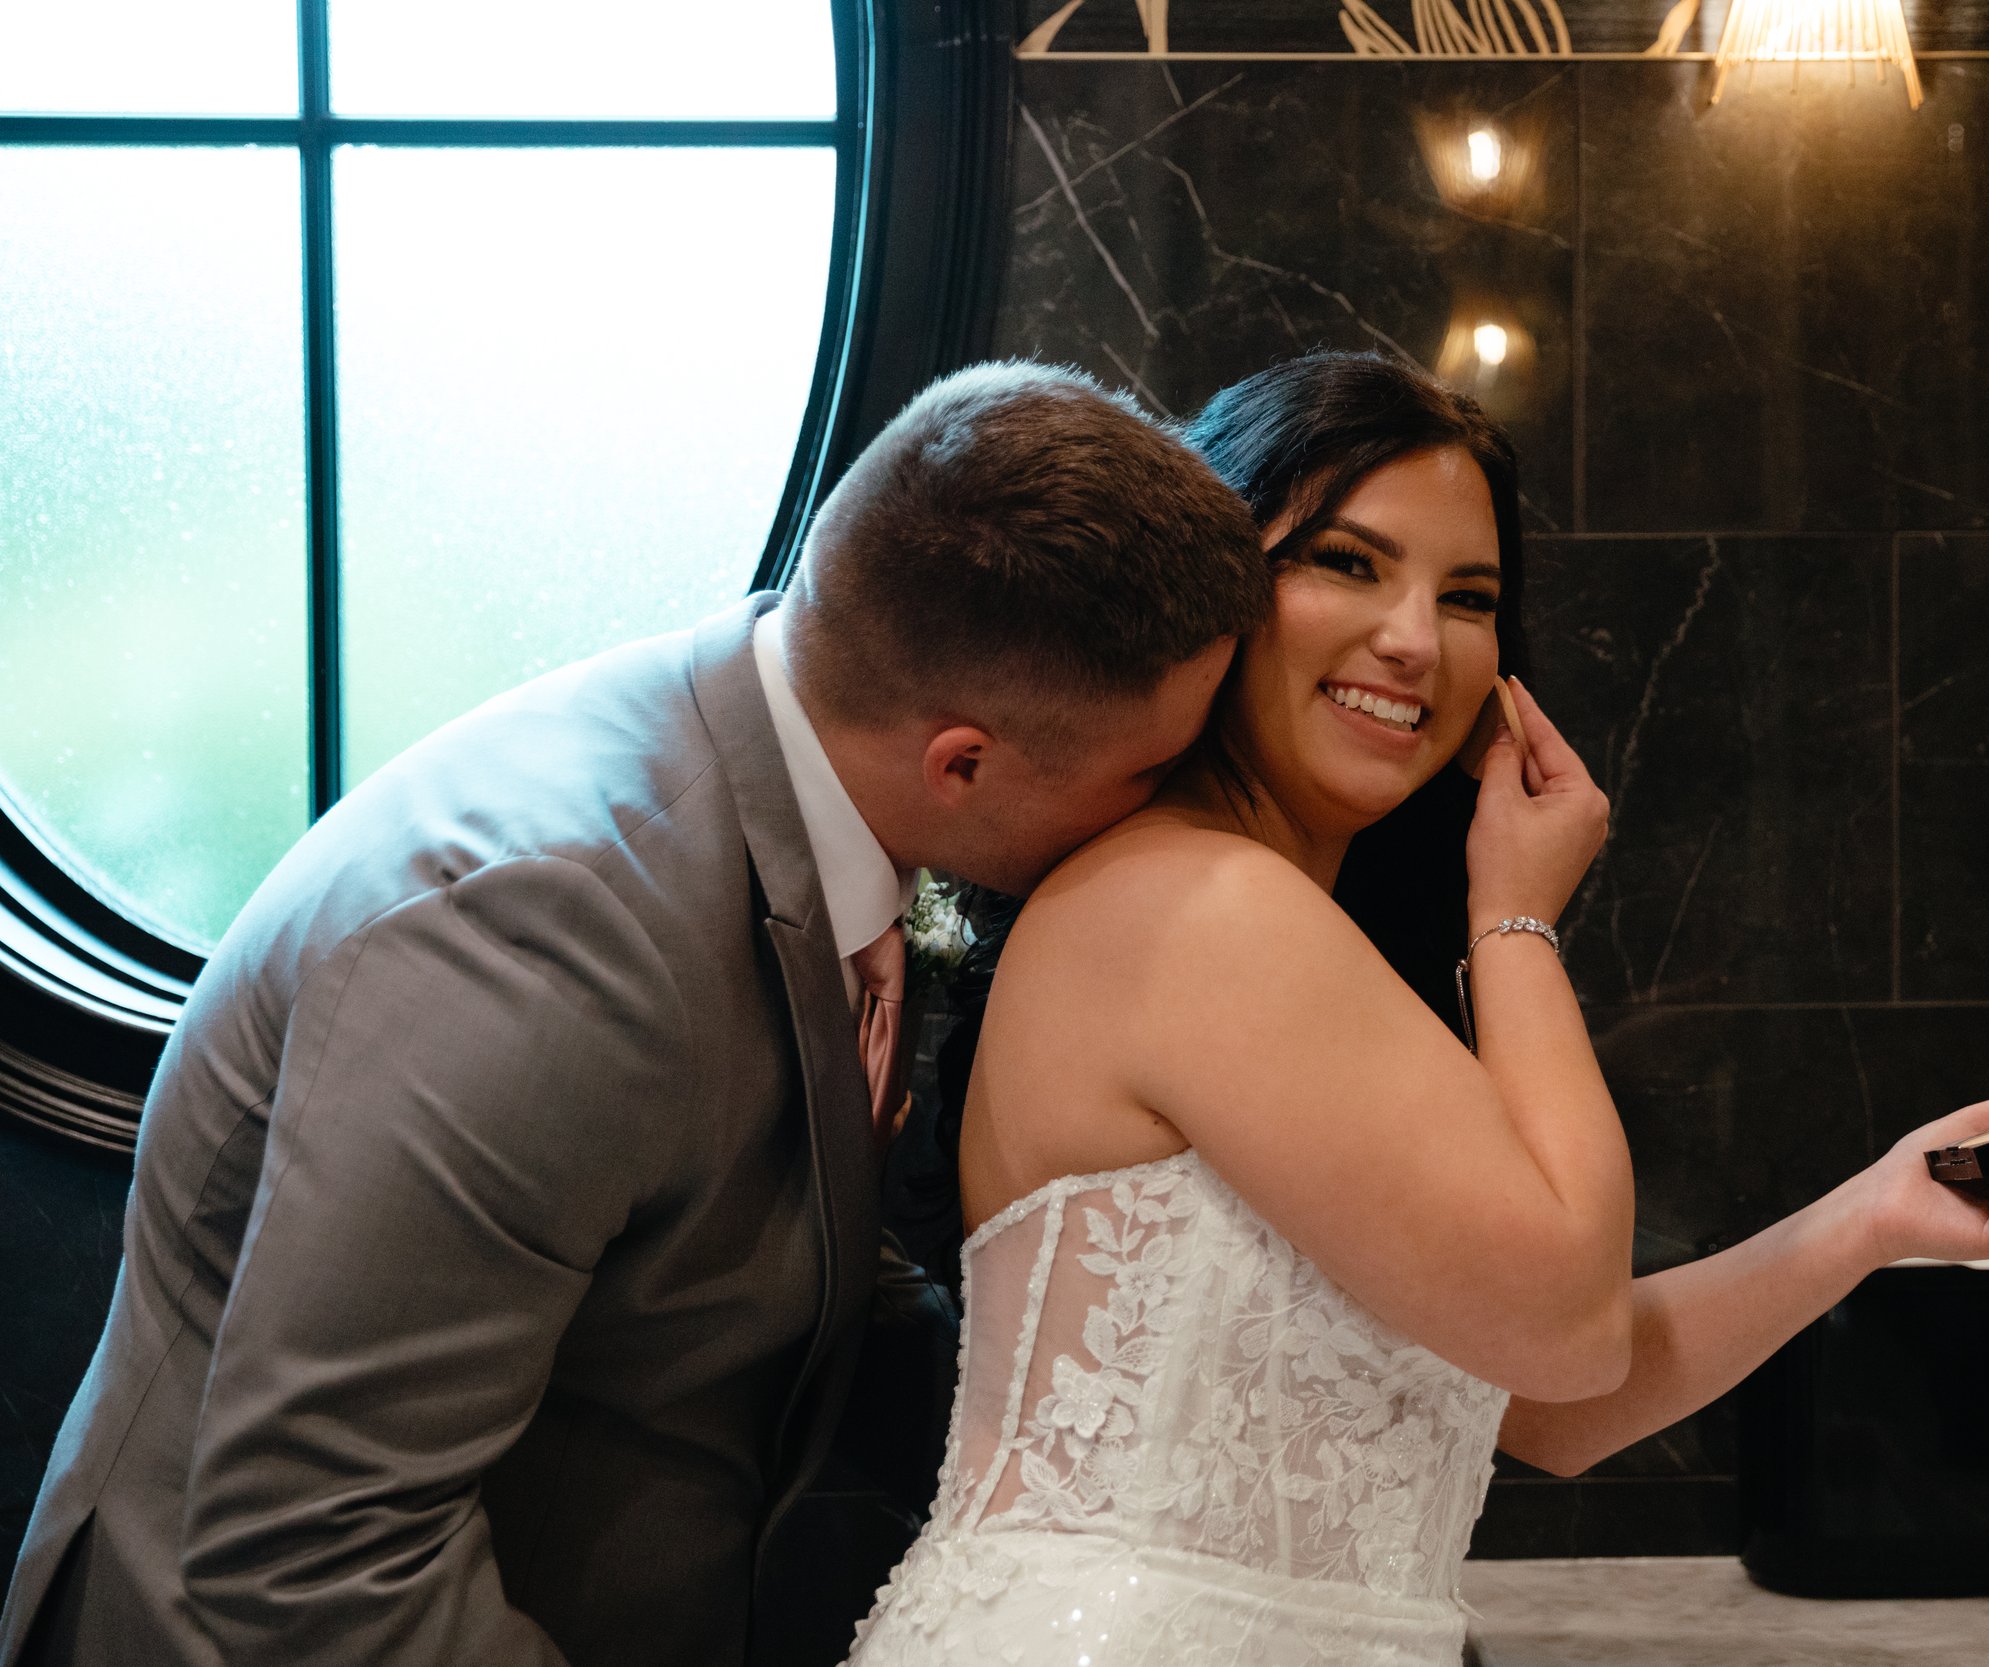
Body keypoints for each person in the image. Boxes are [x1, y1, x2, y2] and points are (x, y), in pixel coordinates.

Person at [843, 352, 1989, 1666]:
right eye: (1348, 563)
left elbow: (1553, 1404)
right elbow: (1568, 1330)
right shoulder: (1194, 906)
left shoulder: (1267, 926)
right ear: (1221, 596)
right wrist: (1514, 912)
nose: (1414, 638)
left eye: (1469, 597)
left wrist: (1876, 1213)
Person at [0, 364, 1272, 1667]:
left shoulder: (801, 756)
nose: (1163, 817)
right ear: (963, 763)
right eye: (1151, 773)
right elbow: (316, 1550)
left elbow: (725, 1236)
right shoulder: (547, 939)